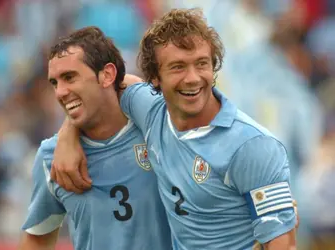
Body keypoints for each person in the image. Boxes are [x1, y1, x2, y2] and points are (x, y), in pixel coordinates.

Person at [53, 9, 298, 249]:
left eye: (201, 64)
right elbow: (102, 90)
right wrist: (68, 133)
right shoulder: (150, 110)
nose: (192, 78)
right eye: (178, 67)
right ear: (155, 78)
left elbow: (283, 243)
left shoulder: (252, 146)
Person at [18, 26, 171, 250]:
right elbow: (37, 239)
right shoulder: (50, 157)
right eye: (55, 82)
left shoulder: (156, 128)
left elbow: (133, 84)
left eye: (70, 77)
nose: (60, 92)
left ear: (107, 75)